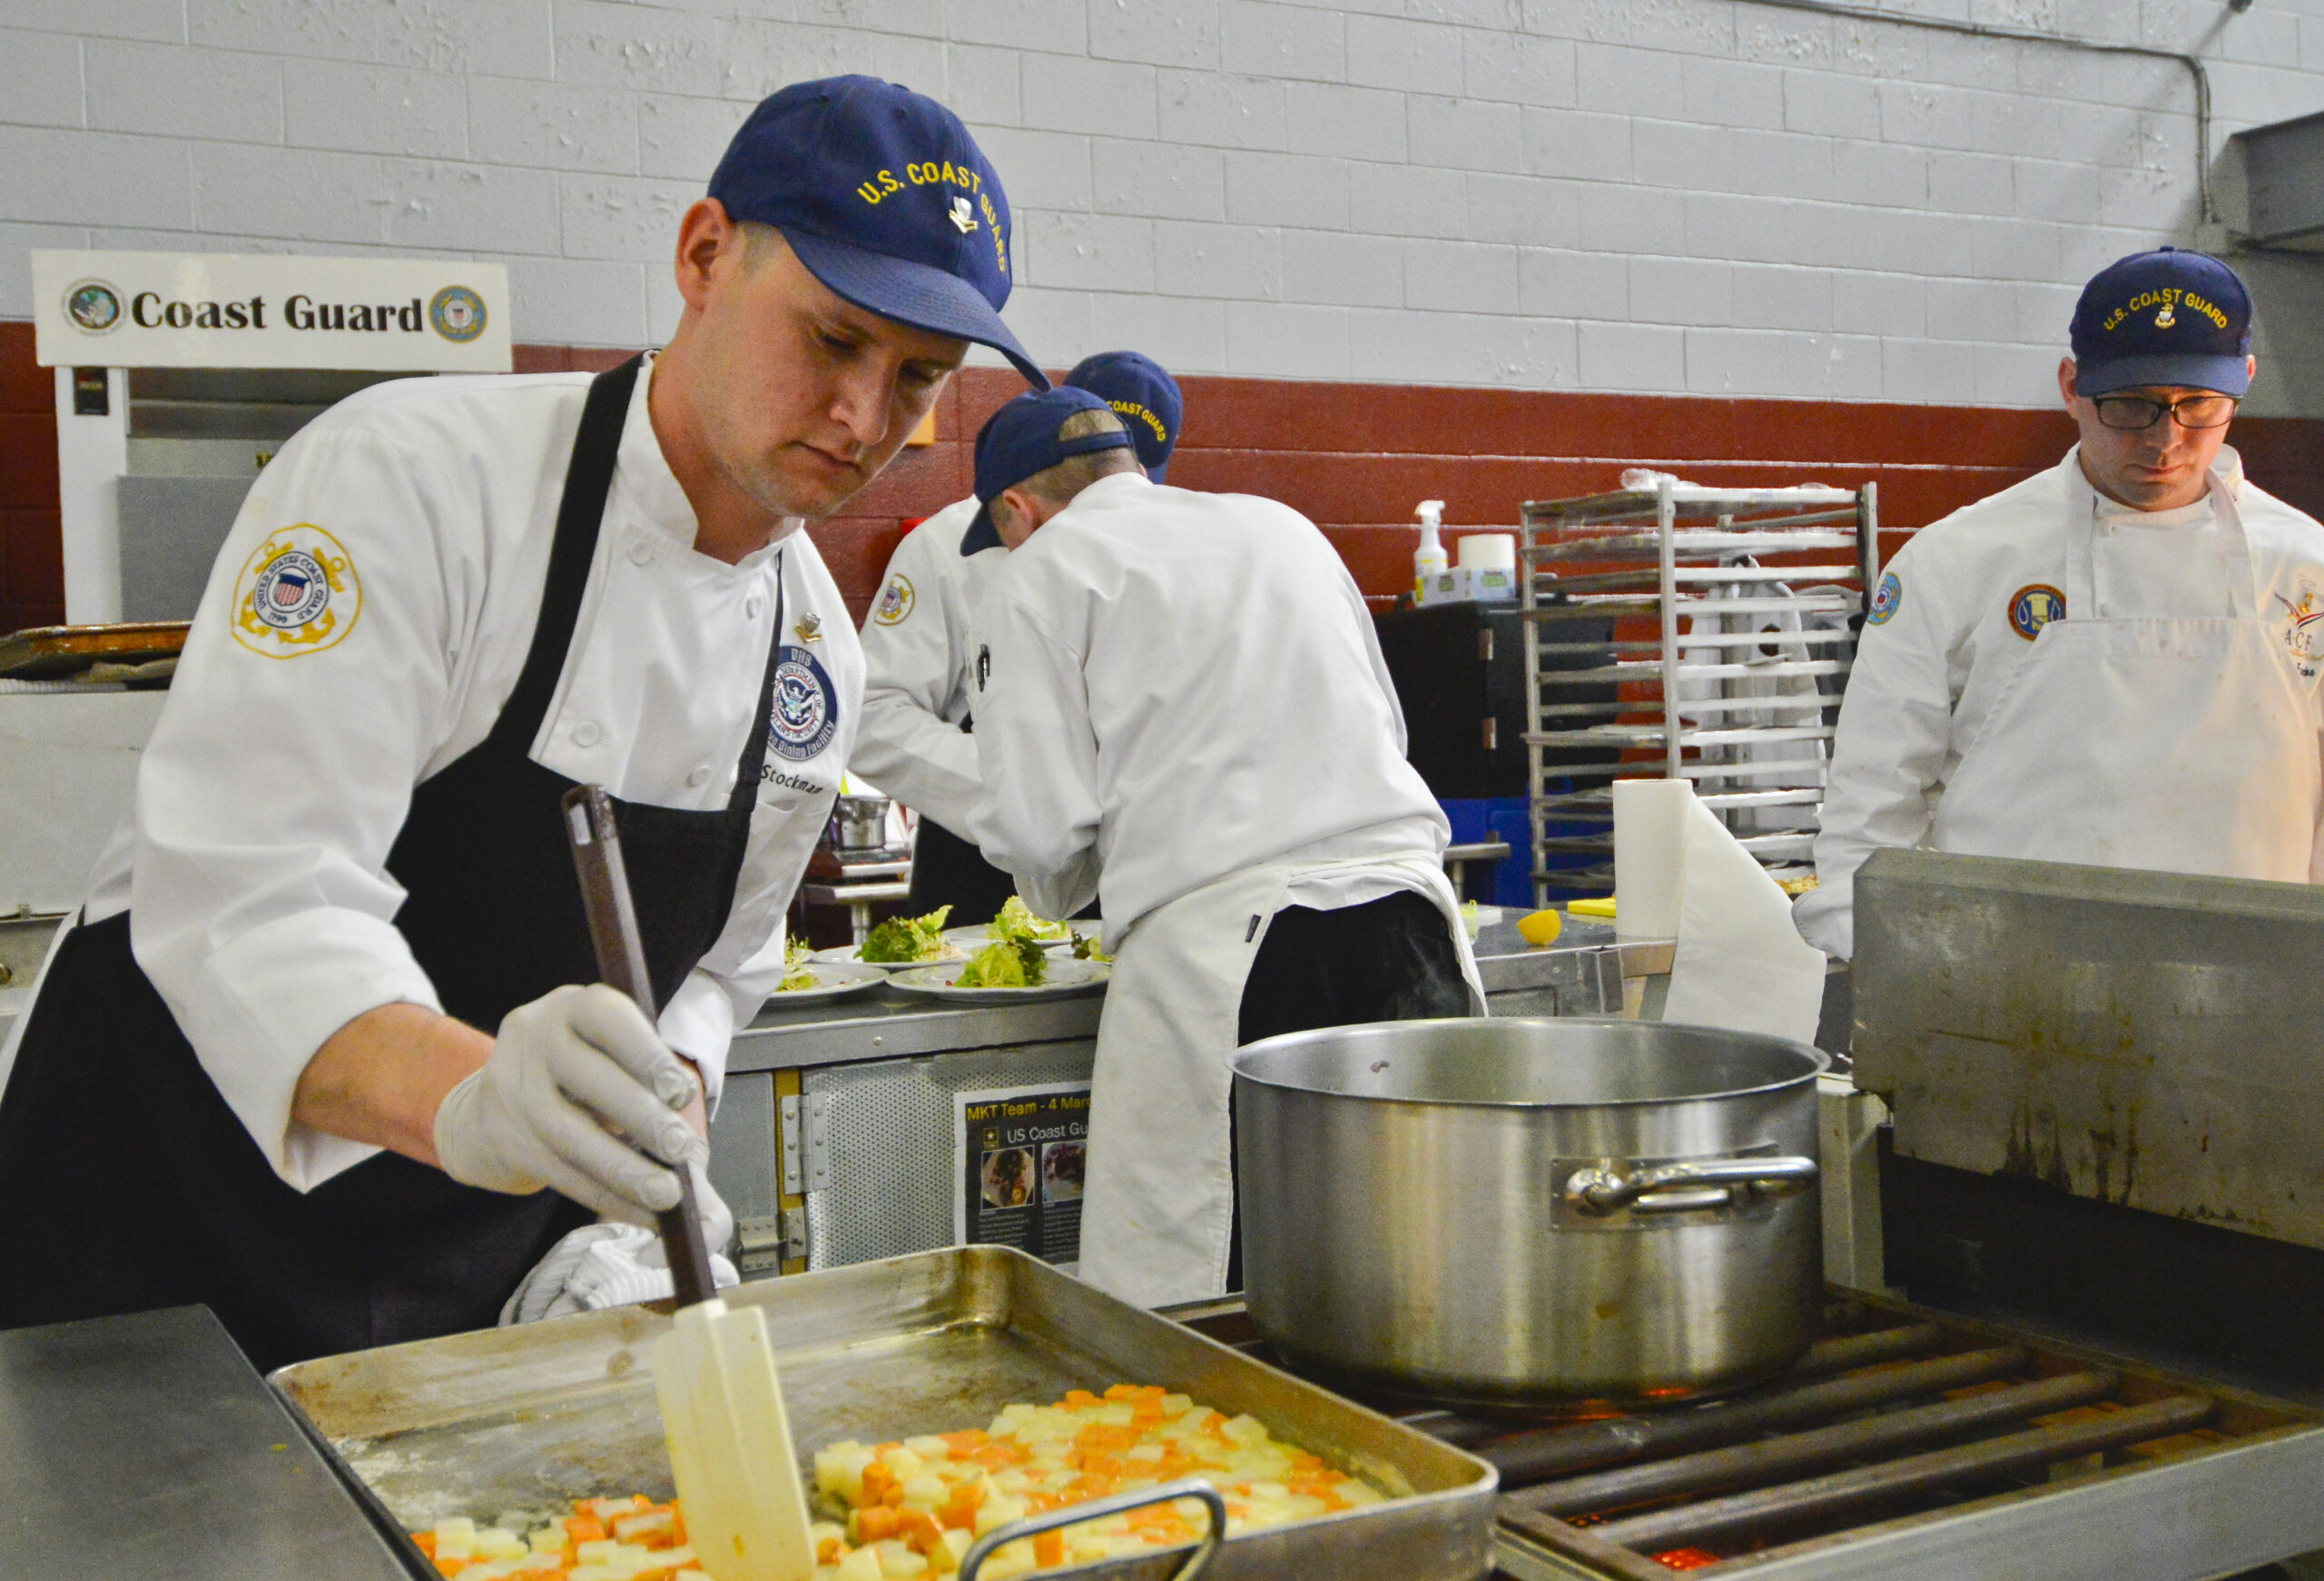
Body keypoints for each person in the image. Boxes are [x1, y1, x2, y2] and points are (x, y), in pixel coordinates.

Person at [0, 75, 1041, 1369]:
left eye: (919, 376)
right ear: (703, 256)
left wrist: (639, 1161)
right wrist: (481, 1101)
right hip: (153, 1236)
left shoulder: (811, 660)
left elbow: (713, 976)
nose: (865, 419)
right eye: (833, 340)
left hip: (446, 1272)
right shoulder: (417, 482)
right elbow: (250, 898)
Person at [963, 388, 1484, 1308]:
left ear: (1017, 509)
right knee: (1423, 1267)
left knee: (1220, 1298)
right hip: (1412, 923)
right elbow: (1386, 730)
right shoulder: (1283, 526)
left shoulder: (1039, 571)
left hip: (1234, 966)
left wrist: (1070, 881)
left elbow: (1039, 831)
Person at [1797, 248, 2324, 959]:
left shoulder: (2306, 567)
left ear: (2245, 382)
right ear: (2072, 387)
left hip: (2258, 982)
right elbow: (1868, 815)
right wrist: (1889, 966)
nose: (2165, 439)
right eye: (2130, 405)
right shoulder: (1957, 561)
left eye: (2198, 405)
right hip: (2005, 983)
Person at [852, 351, 1183, 925]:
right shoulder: (949, 547)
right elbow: (870, 714)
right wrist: (1018, 790)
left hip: (1143, 864)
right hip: (983, 866)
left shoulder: (1179, 542)